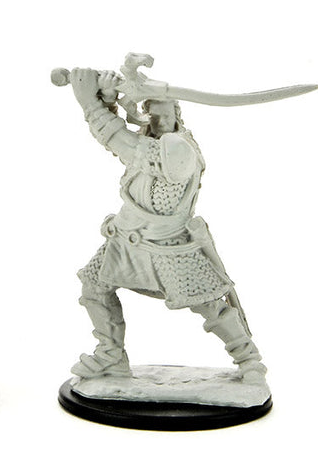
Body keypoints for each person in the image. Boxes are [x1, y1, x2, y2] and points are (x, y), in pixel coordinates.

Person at [67, 67, 267, 384]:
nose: (159, 121)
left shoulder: (179, 149)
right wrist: (106, 97)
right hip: (126, 238)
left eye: (165, 113)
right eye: (152, 113)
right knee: (94, 286)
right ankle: (110, 354)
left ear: (177, 115)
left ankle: (249, 360)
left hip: (169, 246)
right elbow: (121, 141)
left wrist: (90, 105)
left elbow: (122, 143)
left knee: (209, 304)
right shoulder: (147, 141)